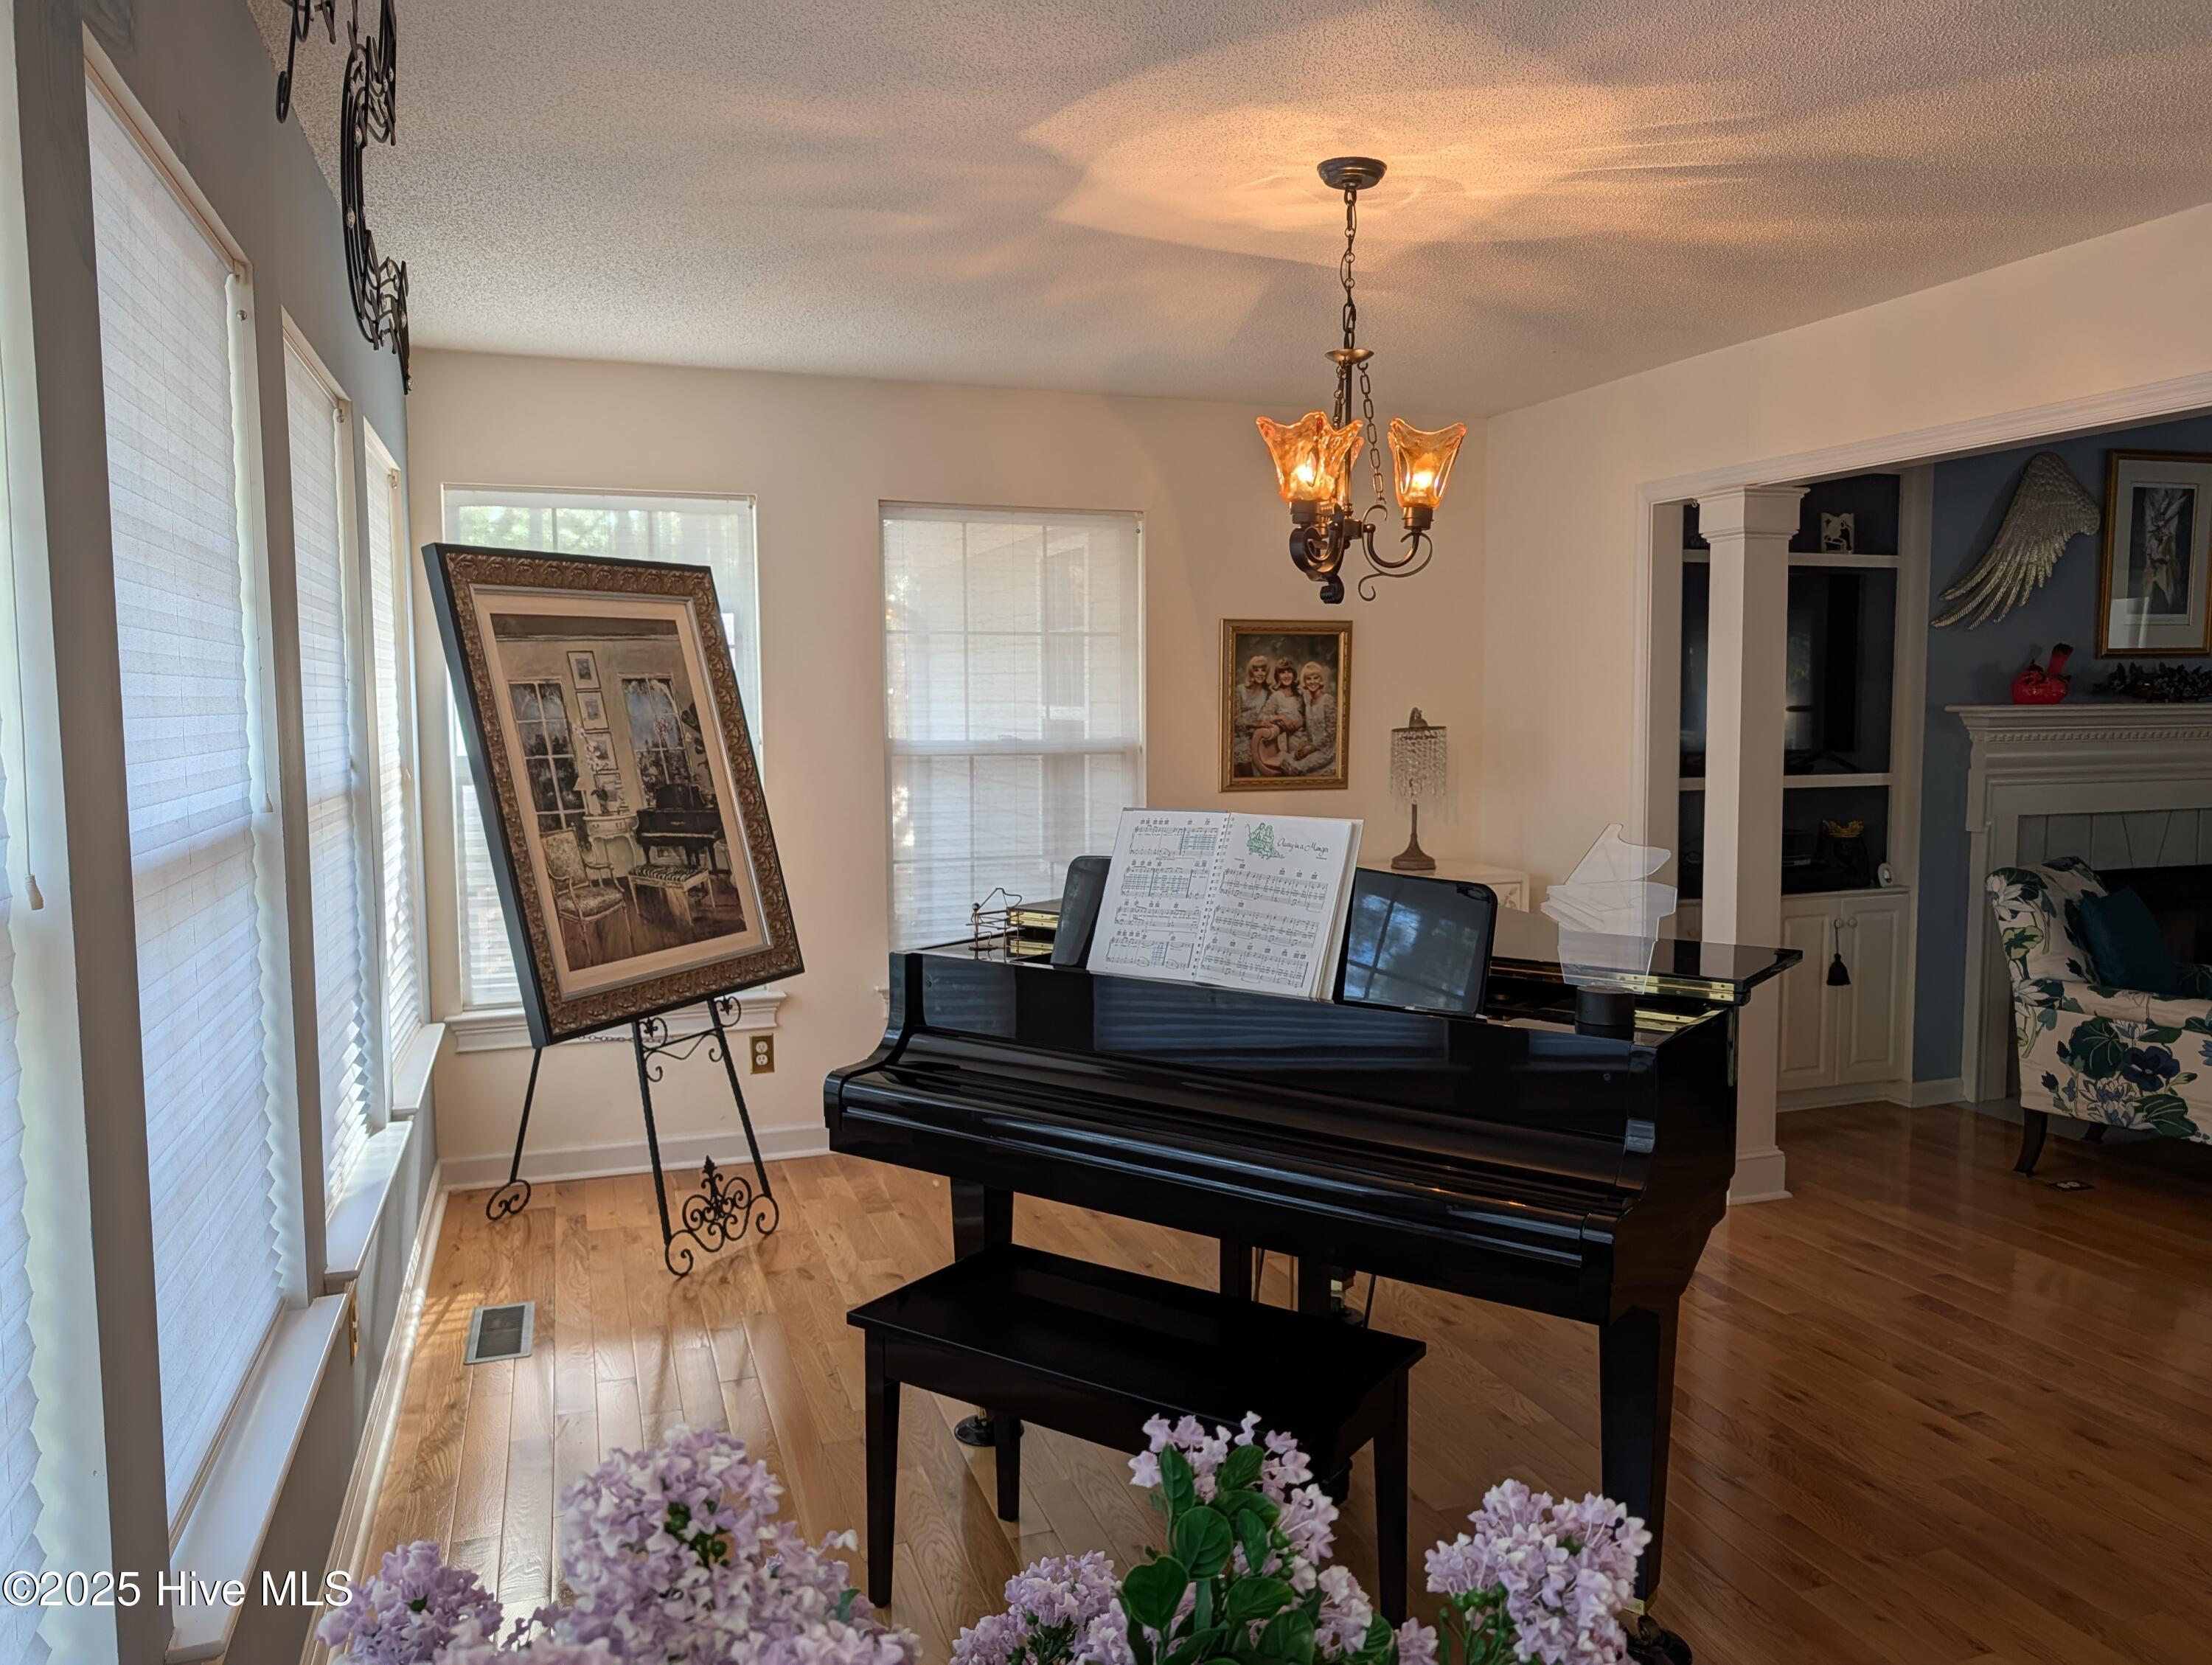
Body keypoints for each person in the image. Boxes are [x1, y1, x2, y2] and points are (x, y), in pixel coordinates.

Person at [1250, 658, 1306, 774]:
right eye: (1282, 672)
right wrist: (1281, 717)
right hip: (1294, 744)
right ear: (1278, 676)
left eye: (1289, 671)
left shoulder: (1300, 694)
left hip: (1309, 737)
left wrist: (1302, 721)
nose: (1286, 675)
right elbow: (1261, 717)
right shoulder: (1277, 696)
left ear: (1294, 674)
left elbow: (1309, 717)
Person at [1284, 661, 1338, 777]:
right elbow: (1309, 734)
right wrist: (1302, 747)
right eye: (1309, 679)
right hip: (1313, 748)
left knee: (1296, 768)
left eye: (1316, 678)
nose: (1312, 682)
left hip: (1326, 751)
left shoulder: (1327, 700)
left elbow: (1331, 734)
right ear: (1305, 682)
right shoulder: (1308, 704)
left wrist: (1310, 750)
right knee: (1286, 761)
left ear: (1320, 680)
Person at [1230, 653, 1272, 775]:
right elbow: (1235, 720)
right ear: (1251, 672)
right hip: (1237, 736)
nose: (1260, 673)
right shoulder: (1240, 690)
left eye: (1263, 670)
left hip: (1255, 738)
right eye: (1256, 670)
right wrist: (1256, 724)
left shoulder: (1267, 693)